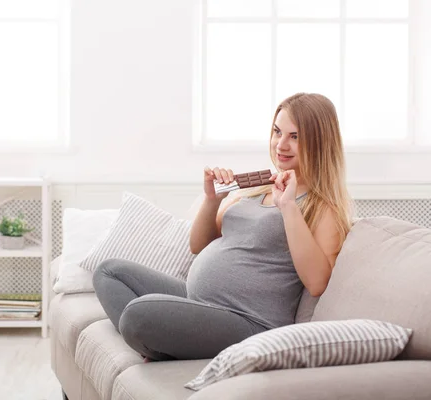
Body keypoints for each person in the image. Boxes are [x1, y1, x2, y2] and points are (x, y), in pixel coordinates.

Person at [93, 92, 354, 362]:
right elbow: (198, 245)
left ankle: (158, 342)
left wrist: (288, 207)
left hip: (248, 323)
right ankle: (162, 344)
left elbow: (317, 282)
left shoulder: (322, 207)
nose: (281, 144)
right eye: (277, 132)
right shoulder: (256, 188)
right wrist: (212, 200)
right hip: (198, 303)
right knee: (109, 272)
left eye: (295, 136)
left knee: (138, 315)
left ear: (320, 141)